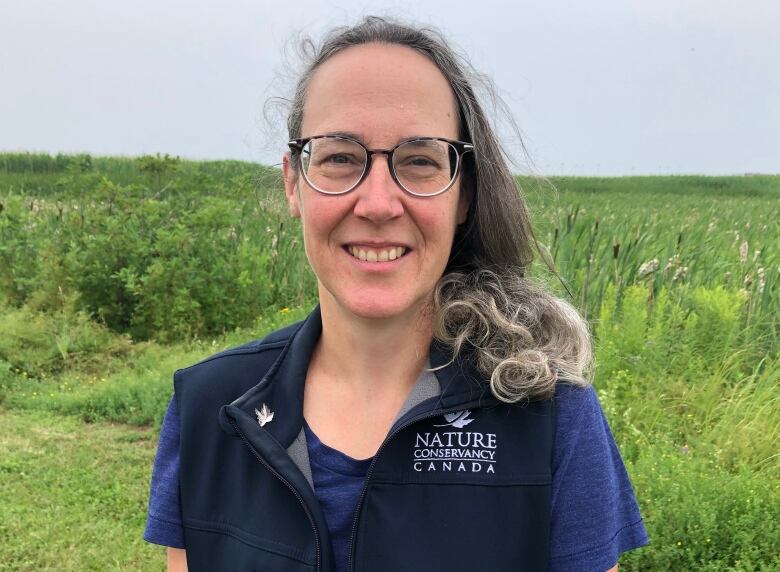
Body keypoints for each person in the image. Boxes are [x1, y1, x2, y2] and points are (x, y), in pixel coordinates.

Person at [144, 16, 649, 572]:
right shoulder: (210, 406)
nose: (379, 203)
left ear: (464, 193)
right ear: (293, 183)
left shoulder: (549, 411)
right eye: (339, 157)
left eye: (420, 161)